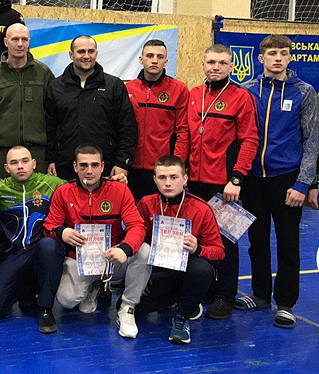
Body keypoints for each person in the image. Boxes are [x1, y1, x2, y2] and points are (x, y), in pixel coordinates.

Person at [237, 35, 319, 328]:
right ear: (261, 58)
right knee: (256, 240)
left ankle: (285, 303)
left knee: (288, 242)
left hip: (287, 180)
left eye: (284, 53)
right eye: (272, 54)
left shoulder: (304, 91)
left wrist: (303, 184)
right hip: (253, 178)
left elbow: (312, 140)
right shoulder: (247, 91)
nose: (278, 58)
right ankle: (260, 294)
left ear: (289, 58)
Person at [43, 144, 149, 339]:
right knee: (66, 300)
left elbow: (137, 225)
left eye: (94, 165)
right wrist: (61, 232)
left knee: (145, 252)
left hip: (112, 257)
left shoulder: (120, 190)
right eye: (83, 165)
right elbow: (49, 225)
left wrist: (125, 249)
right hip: (80, 258)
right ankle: (93, 287)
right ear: (75, 167)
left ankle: (127, 307)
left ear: (102, 166)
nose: (89, 171)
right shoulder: (63, 192)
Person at [186, 44, 259, 320]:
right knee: (195, 237)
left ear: (231, 67)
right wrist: (182, 174)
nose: (216, 67)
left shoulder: (241, 97)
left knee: (225, 239)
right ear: (203, 65)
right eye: (211, 62)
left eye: (222, 63)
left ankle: (225, 296)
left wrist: (236, 178)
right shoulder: (194, 94)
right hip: (193, 182)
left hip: (224, 184)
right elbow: (186, 135)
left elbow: (249, 140)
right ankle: (203, 288)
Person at [136, 155, 225, 344]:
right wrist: (141, 276)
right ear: (155, 179)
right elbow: (137, 240)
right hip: (160, 272)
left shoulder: (201, 209)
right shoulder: (145, 203)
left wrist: (198, 249)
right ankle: (180, 300)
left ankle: (183, 315)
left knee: (202, 268)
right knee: (135, 310)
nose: (168, 183)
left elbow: (219, 252)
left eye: (174, 177)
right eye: (162, 177)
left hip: (189, 273)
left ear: (185, 179)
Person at [0, 146, 65, 333]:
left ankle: (45, 309)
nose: (20, 166)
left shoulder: (51, 183)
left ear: (34, 163)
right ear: (6, 168)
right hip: (13, 255)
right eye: (14, 163)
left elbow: (81, 186)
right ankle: (26, 289)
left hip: (41, 250)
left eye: (25, 161)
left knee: (49, 245)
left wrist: (113, 181)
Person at [45, 35, 137, 181]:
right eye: (81, 51)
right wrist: (50, 160)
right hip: (65, 168)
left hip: (105, 168)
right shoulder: (55, 87)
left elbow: (127, 128)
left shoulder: (114, 86)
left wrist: (122, 163)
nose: (86, 56)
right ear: (71, 55)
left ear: (96, 54)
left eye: (91, 51)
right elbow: (49, 128)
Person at [0, 23, 53, 177]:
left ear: (29, 42)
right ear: (6, 42)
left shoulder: (44, 73)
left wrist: (52, 157)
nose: (20, 44)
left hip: (37, 154)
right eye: (15, 39)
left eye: (24, 39)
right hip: (2, 155)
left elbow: (53, 116)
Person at [126, 39, 190, 202]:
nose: (154, 60)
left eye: (160, 57)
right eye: (150, 56)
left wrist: (176, 165)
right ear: (141, 60)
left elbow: (183, 131)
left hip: (163, 170)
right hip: (131, 168)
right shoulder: (128, 89)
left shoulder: (179, 89)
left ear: (166, 61)